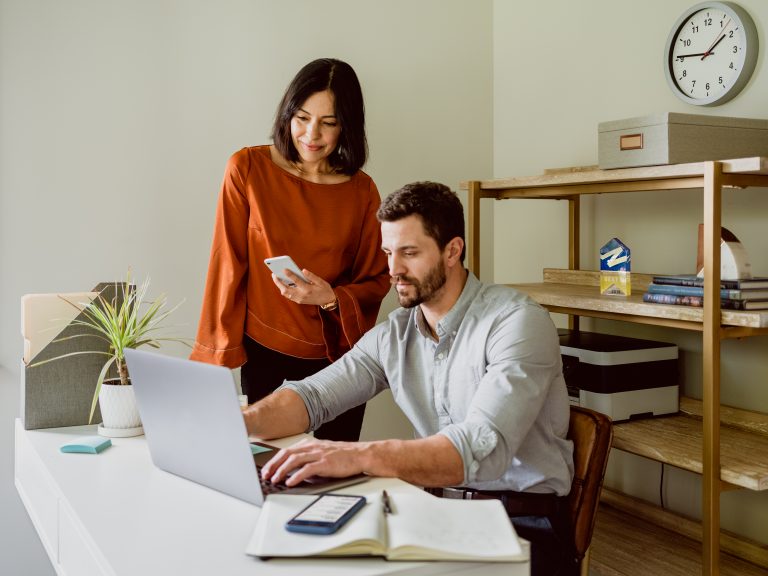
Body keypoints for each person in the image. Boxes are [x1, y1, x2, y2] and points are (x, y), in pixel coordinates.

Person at [243, 181, 576, 575]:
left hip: (522, 525)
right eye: (388, 252)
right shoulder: (396, 332)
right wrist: (238, 422)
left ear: (453, 250)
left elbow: (480, 449)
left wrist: (357, 456)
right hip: (432, 509)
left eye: (410, 253)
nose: (393, 270)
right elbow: (313, 397)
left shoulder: (517, 322)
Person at [190, 58, 390, 442]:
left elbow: (378, 278)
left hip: (339, 363)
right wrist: (213, 359)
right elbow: (226, 265)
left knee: (336, 480)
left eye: (328, 123)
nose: (311, 134)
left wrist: (331, 298)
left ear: (347, 125)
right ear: (287, 114)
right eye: (301, 117)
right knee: (269, 477)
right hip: (263, 353)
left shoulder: (362, 191)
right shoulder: (247, 168)